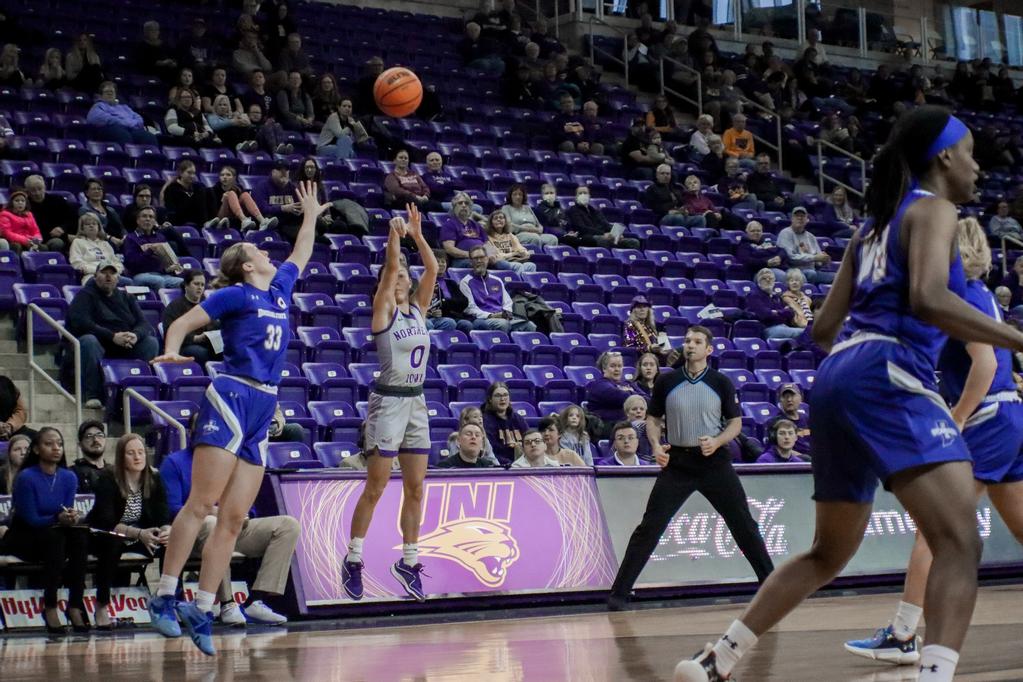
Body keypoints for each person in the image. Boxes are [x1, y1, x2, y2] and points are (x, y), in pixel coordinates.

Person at [672, 107, 1023, 682]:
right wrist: (1016, 337)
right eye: (971, 154)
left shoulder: (871, 227)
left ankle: (719, 658)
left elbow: (823, 328)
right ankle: (933, 675)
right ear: (944, 158)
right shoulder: (935, 209)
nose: (979, 166)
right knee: (959, 539)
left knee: (828, 553)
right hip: (888, 371)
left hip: (837, 376)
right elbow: (930, 298)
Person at [146, 181, 326, 656]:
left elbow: (301, 253)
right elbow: (183, 322)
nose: (267, 252)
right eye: (256, 250)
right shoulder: (234, 297)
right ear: (247, 266)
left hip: (264, 403)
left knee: (234, 515)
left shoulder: (280, 291)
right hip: (232, 393)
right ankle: (165, 594)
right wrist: (170, 352)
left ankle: (202, 606)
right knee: (201, 504)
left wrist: (309, 215)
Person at [843, 216, 1023, 667]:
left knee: (936, 528)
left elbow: (982, 364)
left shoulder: (960, 294)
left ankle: (904, 633)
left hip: (987, 419)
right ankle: (904, 632)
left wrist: (958, 418)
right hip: (1009, 414)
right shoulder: (982, 293)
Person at [609, 327, 773, 614]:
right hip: (679, 463)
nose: (690, 345)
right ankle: (619, 592)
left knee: (744, 525)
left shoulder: (721, 382)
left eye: (697, 342)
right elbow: (653, 418)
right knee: (649, 527)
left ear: (709, 349)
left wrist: (718, 440)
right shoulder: (667, 381)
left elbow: (735, 424)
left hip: (715, 462)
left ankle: (771, 587)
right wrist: (656, 446)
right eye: (687, 341)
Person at [340, 205, 437, 605]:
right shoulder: (383, 312)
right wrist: (394, 237)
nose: (400, 277)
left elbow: (432, 269)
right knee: (376, 486)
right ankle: (354, 558)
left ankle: (409, 562)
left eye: (403, 276)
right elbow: (390, 267)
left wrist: (417, 233)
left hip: (416, 402)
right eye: (394, 275)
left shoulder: (419, 307)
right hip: (388, 402)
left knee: (416, 488)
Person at [161, 440, 296, 626]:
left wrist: (242, 513)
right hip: (195, 533)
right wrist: (214, 511)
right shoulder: (174, 462)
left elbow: (250, 508)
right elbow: (173, 509)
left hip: (235, 527)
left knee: (288, 525)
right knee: (213, 524)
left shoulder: (234, 461)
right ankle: (227, 604)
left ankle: (256, 600)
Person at [4, 428, 90, 633]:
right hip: (23, 537)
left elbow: (64, 511)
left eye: (59, 444)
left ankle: (75, 604)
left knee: (79, 536)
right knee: (56, 538)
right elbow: (31, 519)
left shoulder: (69, 477)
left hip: (53, 534)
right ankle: (50, 605)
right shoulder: (26, 478)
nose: (56, 448)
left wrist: (70, 517)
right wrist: (57, 519)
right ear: (36, 449)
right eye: (49, 444)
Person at [87, 433, 171, 630]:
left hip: (140, 535)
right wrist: (139, 534)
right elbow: (107, 522)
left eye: (141, 452)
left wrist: (166, 530)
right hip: (105, 535)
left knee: (171, 543)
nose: (137, 457)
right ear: (121, 457)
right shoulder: (107, 479)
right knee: (113, 543)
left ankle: (168, 601)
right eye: (131, 453)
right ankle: (101, 606)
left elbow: (163, 514)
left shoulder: (154, 478)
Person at [66, 261, 159, 409]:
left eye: (112, 273)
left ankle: (140, 394)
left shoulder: (126, 297)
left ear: (118, 278)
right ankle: (92, 394)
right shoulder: (85, 295)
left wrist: (135, 335)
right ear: (95, 276)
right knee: (89, 341)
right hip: (99, 344)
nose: (108, 277)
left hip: (124, 345)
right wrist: (112, 336)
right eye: (104, 273)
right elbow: (82, 323)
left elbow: (144, 324)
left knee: (150, 342)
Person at [458, 245, 537, 333]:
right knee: (503, 324)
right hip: (484, 319)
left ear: (487, 259)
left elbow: (507, 302)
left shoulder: (497, 280)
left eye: (482, 257)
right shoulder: (465, 282)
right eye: (475, 258)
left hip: (502, 317)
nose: (479, 261)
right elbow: (470, 308)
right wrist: (491, 316)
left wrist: (505, 313)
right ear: (470, 262)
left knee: (530, 326)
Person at [162, 270, 222, 366]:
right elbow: (170, 333)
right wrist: (195, 338)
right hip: (185, 346)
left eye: (202, 285)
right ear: (186, 285)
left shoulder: (207, 305)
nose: (200, 288)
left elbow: (215, 325)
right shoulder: (175, 307)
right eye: (196, 284)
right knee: (202, 353)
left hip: (209, 344)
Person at [123, 207, 185, 291]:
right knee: (158, 281)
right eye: (144, 216)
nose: (147, 219)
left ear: (154, 221)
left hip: (162, 275)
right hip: (139, 275)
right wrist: (150, 251)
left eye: (151, 217)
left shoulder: (160, 237)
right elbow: (131, 263)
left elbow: (166, 261)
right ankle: (161, 303)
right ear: (137, 220)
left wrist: (171, 267)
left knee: (181, 282)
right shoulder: (131, 238)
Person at [562, 185, 641, 250]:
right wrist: (603, 234)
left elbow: (606, 224)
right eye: (580, 193)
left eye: (585, 193)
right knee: (604, 240)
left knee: (634, 242)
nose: (583, 195)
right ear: (576, 197)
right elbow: (582, 228)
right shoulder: (573, 210)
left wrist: (617, 233)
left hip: (605, 237)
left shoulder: (595, 211)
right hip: (587, 238)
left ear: (589, 196)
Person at [586, 351, 643, 439]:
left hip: (630, 427)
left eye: (619, 366)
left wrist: (629, 392)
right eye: (613, 366)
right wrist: (631, 392)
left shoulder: (628, 384)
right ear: (604, 368)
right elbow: (619, 397)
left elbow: (646, 399)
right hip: (609, 429)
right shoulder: (598, 385)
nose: (617, 369)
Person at [86, 81, 159, 145]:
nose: (110, 93)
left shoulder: (124, 107)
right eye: (107, 92)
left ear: (115, 94)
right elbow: (95, 118)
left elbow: (139, 119)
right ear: (101, 95)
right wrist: (123, 122)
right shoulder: (98, 105)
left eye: (112, 92)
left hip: (130, 129)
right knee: (123, 136)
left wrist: (131, 123)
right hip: (109, 129)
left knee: (149, 138)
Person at [777, 207, 834, 284]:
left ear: (807, 220)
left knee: (837, 277)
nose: (800, 218)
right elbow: (790, 257)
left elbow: (818, 261)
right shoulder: (785, 233)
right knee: (811, 273)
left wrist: (823, 260)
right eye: (797, 216)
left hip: (813, 271)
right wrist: (814, 257)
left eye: (803, 216)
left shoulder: (811, 237)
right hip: (793, 271)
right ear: (792, 219)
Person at [425, 249, 473, 334]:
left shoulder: (451, 283)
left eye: (443, 261)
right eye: (437, 261)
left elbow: (464, 302)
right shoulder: (426, 282)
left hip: (452, 316)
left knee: (466, 324)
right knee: (450, 322)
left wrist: (445, 303)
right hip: (434, 317)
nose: (441, 264)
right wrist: (450, 304)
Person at [25, 175, 77, 253]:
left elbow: (72, 219)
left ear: (45, 187)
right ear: (27, 192)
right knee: (57, 243)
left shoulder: (58, 200)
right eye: (33, 190)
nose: (37, 193)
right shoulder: (25, 205)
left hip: (60, 235)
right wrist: (63, 236)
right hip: (38, 239)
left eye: (40, 189)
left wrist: (62, 228)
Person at [160, 160, 219, 229]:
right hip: (179, 216)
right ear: (181, 173)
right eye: (189, 173)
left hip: (193, 215)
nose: (192, 176)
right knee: (200, 192)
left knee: (208, 191)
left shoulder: (195, 187)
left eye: (193, 173)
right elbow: (171, 209)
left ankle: (213, 221)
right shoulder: (172, 188)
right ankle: (204, 223)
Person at [481, 381, 529, 466]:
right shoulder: (485, 421)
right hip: (499, 467)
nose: (502, 399)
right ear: (490, 399)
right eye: (498, 395)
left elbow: (528, 439)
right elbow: (492, 451)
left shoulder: (518, 419)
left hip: (522, 465)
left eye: (505, 395)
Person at [69, 213, 124, 284]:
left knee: (128, 282)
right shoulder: (78, 242)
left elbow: (117, 262)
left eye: (94, 224)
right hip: (91, 275)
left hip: (111, 275)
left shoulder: (105, 244)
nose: (91, 226)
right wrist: (98, 271)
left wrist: (114, 271)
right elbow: (76, 263)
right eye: (87, 224)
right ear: (82, 228)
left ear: (99, 227)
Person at [70, 419, 108, 494]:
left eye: (100, 435)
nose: (96, 439)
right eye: (89, 436)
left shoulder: (115, 473)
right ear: (80, 444)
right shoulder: (72, 474)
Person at [0, 188, 42, 254]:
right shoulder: (5, 214)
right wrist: (25, 241)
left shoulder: (29, 214)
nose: (20, 203)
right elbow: (7, 233)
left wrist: (36, 240)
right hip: (13, 241)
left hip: (29, 240)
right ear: (11, 203)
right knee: (17, 246)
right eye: (17, 201)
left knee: (42, 247)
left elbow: (36, 231)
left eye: (23, 201)